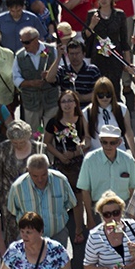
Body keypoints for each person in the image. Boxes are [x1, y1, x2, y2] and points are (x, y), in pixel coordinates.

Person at [43, 90, 88, 242]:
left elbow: (86, 140)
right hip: (60, 161)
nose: (67, 104)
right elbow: (47, 143)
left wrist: (75, 152)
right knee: (60, 197)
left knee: (77, 197)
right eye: (64, 101)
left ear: (75, 103)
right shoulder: (53, 122)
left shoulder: (81, 120)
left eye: (70, 101)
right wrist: (60, 155)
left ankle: (79, 230)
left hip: (77, 162)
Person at [7, 154, 77, 246]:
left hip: (57, 236)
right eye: (35, 176)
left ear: (48, 168)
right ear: (28, 171)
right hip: (29, 239)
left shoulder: (61, 181)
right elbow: (13, 210)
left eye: (44, 175)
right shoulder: (18, 187)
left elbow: (71, 203)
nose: (40, 179)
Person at [0, 120, 40, 245]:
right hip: (8, 198)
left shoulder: (38, 149)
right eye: (15, 143)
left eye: (22, 142)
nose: (18, 145)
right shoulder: (4, 148)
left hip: (31, 196)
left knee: (31, 229)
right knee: (11, 232)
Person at [83, 0, 130, 99]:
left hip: (115, 55)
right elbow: (86, 36)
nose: (103, 0)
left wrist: (127, 61)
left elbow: (124, 39)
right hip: (98, 56)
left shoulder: (119, 15)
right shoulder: (92, 14)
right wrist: (92, 24)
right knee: (99, 85)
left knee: (114, 85)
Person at [12, 26, 59, 132]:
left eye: (27, 42)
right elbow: (15, 78)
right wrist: (30, 83)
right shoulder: (19, 56)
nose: (24, 45)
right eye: (22, 42)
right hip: (31, 102)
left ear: (36, 39)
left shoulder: (51, 50)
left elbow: (60, 70)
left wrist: (51, 74)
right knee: (32, 132)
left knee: (52, 131)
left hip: (51, 99)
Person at [83, 77, 135, 155]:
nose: (105, 98)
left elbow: (128, 133)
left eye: (108, 94)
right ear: (95, 95)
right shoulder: (87, 112)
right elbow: (87, 137)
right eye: (101, 95)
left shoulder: (121, 109)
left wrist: (134, 155)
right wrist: (83, 145)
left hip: (119, 154)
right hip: (98, 155)